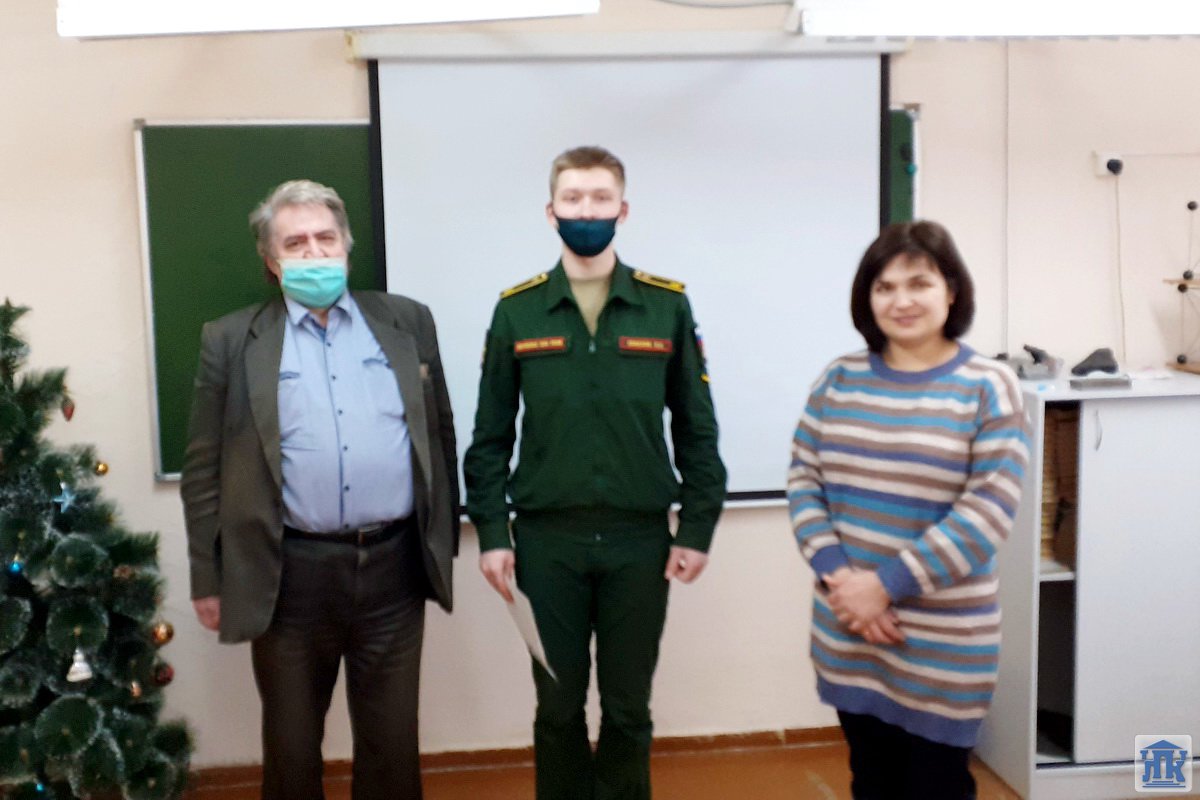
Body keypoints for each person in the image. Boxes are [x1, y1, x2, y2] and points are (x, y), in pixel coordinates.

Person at [181, 179, 458, 800]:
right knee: (293, 748)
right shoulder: (231, 339)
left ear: (346, 247)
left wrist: (441, 540)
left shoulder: (407, 322)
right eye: (296, 243)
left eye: (325, 238)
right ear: (271, 260)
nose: (314, 252)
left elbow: (439, 435)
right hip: (290, 575)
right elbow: (202, 469)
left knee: (392, 746)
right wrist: (208, 574)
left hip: (394, 568)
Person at [464, 146, 727, 800]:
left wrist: (697, 528)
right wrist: (493, 533)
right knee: (557, 709)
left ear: (623, 210)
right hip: (547, 541)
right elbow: (489, 438)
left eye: (600, 199)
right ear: (551, 211)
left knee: (628, 708)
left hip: (640, 540)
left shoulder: (666, 306)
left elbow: (697, 429)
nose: (587, 211)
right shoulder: (518, 310)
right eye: (574, 199)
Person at [787, 220, 1030, 800]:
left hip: (942, 647)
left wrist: (884, 586)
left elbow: (988, 511)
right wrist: (844, 582)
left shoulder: (988, 385)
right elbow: (804, 481)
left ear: (951, 291)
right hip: (850, 631)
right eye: (885, 287)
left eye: (919, 284)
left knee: (938, 787)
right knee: (871, 781)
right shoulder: (838, 379)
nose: (901, 301)